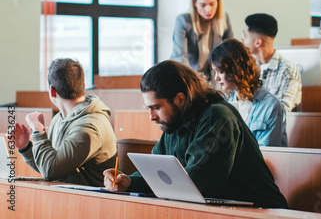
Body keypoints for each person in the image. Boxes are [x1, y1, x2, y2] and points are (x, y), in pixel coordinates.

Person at [102, 60, 288, 208]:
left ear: (180, 99)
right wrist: (127, 182)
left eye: (156, 107)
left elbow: (198, 186)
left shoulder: (218, 116)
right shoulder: (174, 122)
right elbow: (158, 176)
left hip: (261, 213)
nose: (151, 117)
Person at [13, 58, 117, 186]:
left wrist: (38, 129)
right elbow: (49, 166)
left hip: (90, 201)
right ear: (83, 87)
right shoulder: (59, 118)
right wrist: (26, 148)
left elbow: (50, 170)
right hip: (68, 197)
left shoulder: (88, 127)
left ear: (52, 90)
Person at [209, 38, 287, 147]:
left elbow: (267, 153)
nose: (216, 78)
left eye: (220, 71)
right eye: (214, 71)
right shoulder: (226, 103)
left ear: (236, 70)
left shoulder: (271, 106)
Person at [241, 13, 301, 112]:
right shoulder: (249, 67)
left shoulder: (287, 69)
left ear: (257, 42)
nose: (242, 39)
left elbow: (283, 110)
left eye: (245, 35)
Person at [171, 0, 233, 74]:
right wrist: (194, 81)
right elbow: (180, 57)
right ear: (194, 3)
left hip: (215, 76)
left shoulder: (224, 19)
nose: (208, 10)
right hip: (189, 75)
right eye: (203, 5)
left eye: (212, 4)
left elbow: (229, 52)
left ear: (218, 1)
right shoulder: (183, 21)